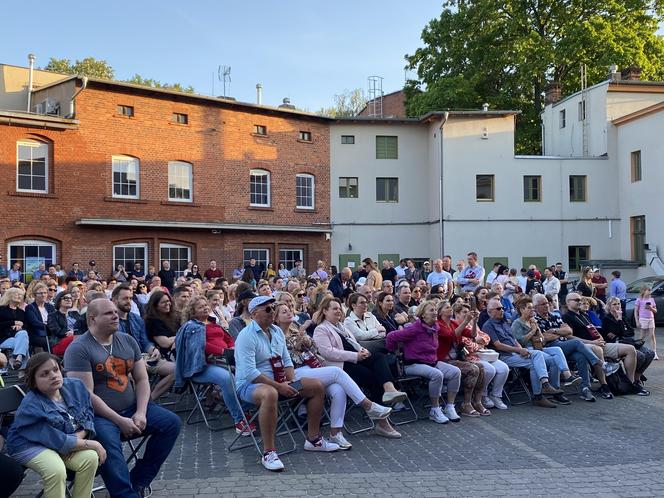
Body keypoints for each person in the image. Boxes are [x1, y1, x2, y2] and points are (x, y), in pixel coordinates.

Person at [64, 299, 181, 497]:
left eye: (115, 311)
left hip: (132, 408)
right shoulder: (79, 349)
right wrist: (119, 420)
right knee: (109, 443)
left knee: (171, 423)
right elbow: (86, 396)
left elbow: (142, 379)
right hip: (97, 418)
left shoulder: (127, 340)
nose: (115, 315)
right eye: (108, 313)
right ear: (92, 319)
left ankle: (137, 482)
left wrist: (141, 412)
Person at [235, 296, 341, 472]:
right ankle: (269, 452)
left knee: (316, 386)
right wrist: (280, 386)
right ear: (254, 314)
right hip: (249, 385)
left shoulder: (276, 331)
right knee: (270, 394)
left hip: (278, 381)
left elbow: (286, 360)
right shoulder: (246, 336)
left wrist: (290, 380)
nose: (272, 312)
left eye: (273, 307)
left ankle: (313, 439)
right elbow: (250, 373)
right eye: (268, 309)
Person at [274, 302, 393, 449]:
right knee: (337, 372)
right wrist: (297, 347)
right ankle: (369, 406)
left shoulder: (296, 329)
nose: (289, 312)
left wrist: (303, 338)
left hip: (310, 369)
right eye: (284, 311)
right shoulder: (275, 335)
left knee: (339, 389)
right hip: (293, 379)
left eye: (289, 309)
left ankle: (335, 433)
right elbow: (283, 359)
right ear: (276, 318)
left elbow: (314, 348)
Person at [6, 353, 104, 498]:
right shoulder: (30, 407)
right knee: (56, 470)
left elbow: (88, 414)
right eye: (44, 374)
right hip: (28, 444)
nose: (53, 375)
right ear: (33, 382)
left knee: (90, 458)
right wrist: (90, 443)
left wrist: (78, 437)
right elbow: (53, 439)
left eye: (55, 369)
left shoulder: (75, 386)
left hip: (62, 438)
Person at [313, 297, 406, 433]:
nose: (338, 311)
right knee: (374, 378)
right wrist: (355, 356)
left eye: (339, 308)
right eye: (334, 308)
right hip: (341, 367)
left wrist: (362, 351)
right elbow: (328, 353)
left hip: (355, 358)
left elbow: (354, 343)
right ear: (325, 311)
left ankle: (389, 390)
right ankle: (382, 422)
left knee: (379, 357)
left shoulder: (341, 326)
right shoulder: (321, 329)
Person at [175, 296, 252, 435]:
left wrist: (232, 348)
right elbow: (200, 345)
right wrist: (223, 351)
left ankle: (247, 409)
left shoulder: (214, 324)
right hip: (202, 367)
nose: (205, 307)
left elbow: (228, 338)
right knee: (227, 378)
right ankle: (239, 420)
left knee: (248, 373)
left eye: (206, 305)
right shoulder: (191, 327)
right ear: (192, 312)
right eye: (200, 307)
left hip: (225, 361)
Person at [532, 293, 618, 402]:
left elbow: (568, 331)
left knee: (581, 357)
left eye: (547, 303)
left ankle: (585, 389)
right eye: (543, 304)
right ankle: (602, 364)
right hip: (551, 347)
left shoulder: (554, 316)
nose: (547, 305)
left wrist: (554, 331)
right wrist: (560, 333)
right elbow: (543, 337)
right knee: (576, 342)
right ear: (536, 307)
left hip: (563, 345)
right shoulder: (535, 320)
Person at [385, 301, 459, 423]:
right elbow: (391, 336)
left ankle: (449, 407)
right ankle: (435, 409)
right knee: (437, 374)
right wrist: (394, 351)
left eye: (435, 310)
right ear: (423, 314)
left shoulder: (435, 327)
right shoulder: (415, 328)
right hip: (413, 364)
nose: (435, 312)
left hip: (431, 362)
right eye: (431, 310)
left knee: (455, 372)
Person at [482, 298, 563, 408]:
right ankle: (545, 385)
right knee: (538, 355)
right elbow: (498, 345)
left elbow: (514, 340)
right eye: (498, 308)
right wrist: (519, 350)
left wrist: (521, 350)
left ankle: (538, 396)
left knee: (538, 363)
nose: (502, 310)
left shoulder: (504, 322)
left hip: (515, 353)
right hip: (504, 356)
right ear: (490, 311)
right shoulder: (488, 325)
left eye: (503, 308)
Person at [563, 292, 640, 396]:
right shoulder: (566, 317)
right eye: (576, 300)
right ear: (568, 302)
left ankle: (630, 383)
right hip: (584, 346)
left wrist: (601, 339)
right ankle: (604, 385)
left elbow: (594, 330)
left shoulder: (584, 315)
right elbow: (569, 337)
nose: (580, 301)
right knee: (598, 350)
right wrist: (592, 342)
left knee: (630, 349)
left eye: (580, 299)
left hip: (597, 343)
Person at [510, 297, 580, 405]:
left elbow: (542, 341)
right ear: (521, 310)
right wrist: (533, 331)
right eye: (529, 308)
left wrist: (538, 331)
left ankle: (566, 377)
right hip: (527, 350)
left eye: (532, 308)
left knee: (557, 349)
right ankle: (551, 390)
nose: (532, 310)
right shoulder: (517, 323)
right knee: (553, 360)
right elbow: (521, 342)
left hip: (538, 348)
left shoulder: (533, 322)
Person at [112, 285, 175, 401]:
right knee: (135, 376)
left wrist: (153, 349)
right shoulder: (111, 320)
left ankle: (149, 401)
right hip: (122, 360)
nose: (129, 301)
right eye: (125, 298)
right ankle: (139, 406)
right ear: (114, 300)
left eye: (130, 298)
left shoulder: (136, 319)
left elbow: (144, 341)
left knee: (176, 370)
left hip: (143, 357)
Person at [453, 301, 509, 410]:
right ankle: (482, 395)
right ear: (457, 313)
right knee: (490, 370)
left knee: (503, 368)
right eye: (464, 312)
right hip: (469, 357)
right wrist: (478, 343)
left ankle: (496, 395)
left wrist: (480, 341)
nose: (467, 314)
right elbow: (466, 345)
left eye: (468, 312)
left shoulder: (472, 324)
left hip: (484, 354)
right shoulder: (456, 326)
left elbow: (486, 337)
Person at [437, 301, 489, 416]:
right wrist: (466, 321)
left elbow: (473, 335)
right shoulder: (439, 324)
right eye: (447, 307)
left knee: (481, 367)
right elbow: (451, 336)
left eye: (451, 306)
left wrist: (474, 321)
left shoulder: (453, 323)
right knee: (473, 369)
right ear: (440, 312)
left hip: (456, 359)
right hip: (443, 360)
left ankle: (477, 401)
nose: (450, 308)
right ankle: (466, 404)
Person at [602, 297, 652, 395]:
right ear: (609, 306)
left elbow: (630, 332)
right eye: (614, 304)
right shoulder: (607, 319)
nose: (617, 306)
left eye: (619, 303)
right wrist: (620, 321)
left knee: (650, 353)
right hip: (618, 344)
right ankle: (630, 382)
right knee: (640, 356)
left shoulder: (623, 317)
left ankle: (637, 378)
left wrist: (621, 328)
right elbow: (617, 333)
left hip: (629, 342)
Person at [0, 287, 30, 370]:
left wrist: (20, 326)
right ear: (9, 295)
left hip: (17, 338)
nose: (19, 296)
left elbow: (26, 326)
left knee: (23, 333)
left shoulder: (21, 312)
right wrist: (13, 323)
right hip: (3, 339)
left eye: (21, 295)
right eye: (17, 294)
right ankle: (22, 371)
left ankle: (18, 359)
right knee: (24, 343)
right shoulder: (1, 310)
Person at [144, 290, 179, 359]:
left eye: (168, 301)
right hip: (163, 355)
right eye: (163, 302)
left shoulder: (173, 318)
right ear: (155, 305)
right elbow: (165, 343)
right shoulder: (152, 321)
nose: (167, 304)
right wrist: (180, 336)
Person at [47, 290, 81, 356]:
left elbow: (83, 327)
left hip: (76, 340)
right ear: (59, 301)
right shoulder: (52, 316)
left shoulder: (75, 314)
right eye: (66, 298)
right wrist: (71, 333)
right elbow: (57, 331)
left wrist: (74, 333)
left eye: (70, 298)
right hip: (59, 342)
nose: (69, 300)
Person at [25, 281, 56, 352]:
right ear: (34, 295)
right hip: (37, 334)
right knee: (50, 342)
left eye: (45, 293)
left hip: (51, 333)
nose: (43, 295)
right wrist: (49, 326)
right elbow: (35, 323)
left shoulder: (50, 307)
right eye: (40, 293)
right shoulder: (30, 307)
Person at [634, 285, 658, 359]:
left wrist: (651, 308)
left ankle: (654, 352)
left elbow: (655, 310)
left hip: (651, 318)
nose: (650, 292)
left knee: (652, 335)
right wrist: (637, 321)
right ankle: (637, 350)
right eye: (648, 290)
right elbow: (636, 311)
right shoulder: (639, 300)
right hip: (642, 318)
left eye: (650, 290)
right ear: (644, 291)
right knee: (642, 336)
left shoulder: (652, 300)